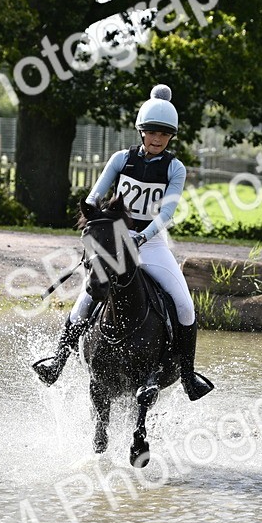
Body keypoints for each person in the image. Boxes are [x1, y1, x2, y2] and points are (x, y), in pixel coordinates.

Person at [32, 84, 215, 401]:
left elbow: (167, 213)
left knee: (185, 306)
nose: (158, 139)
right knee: (85, 302)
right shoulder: (120, 160)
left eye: (164, 134)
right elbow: (94, 196)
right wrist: (102, 226)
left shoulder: (175, 168)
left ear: (170, 137)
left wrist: (142, 235)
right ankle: (57, 362)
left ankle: (187, 376)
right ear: (141, 132)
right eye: (152, 132)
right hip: (116, 242)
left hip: (152, 244)